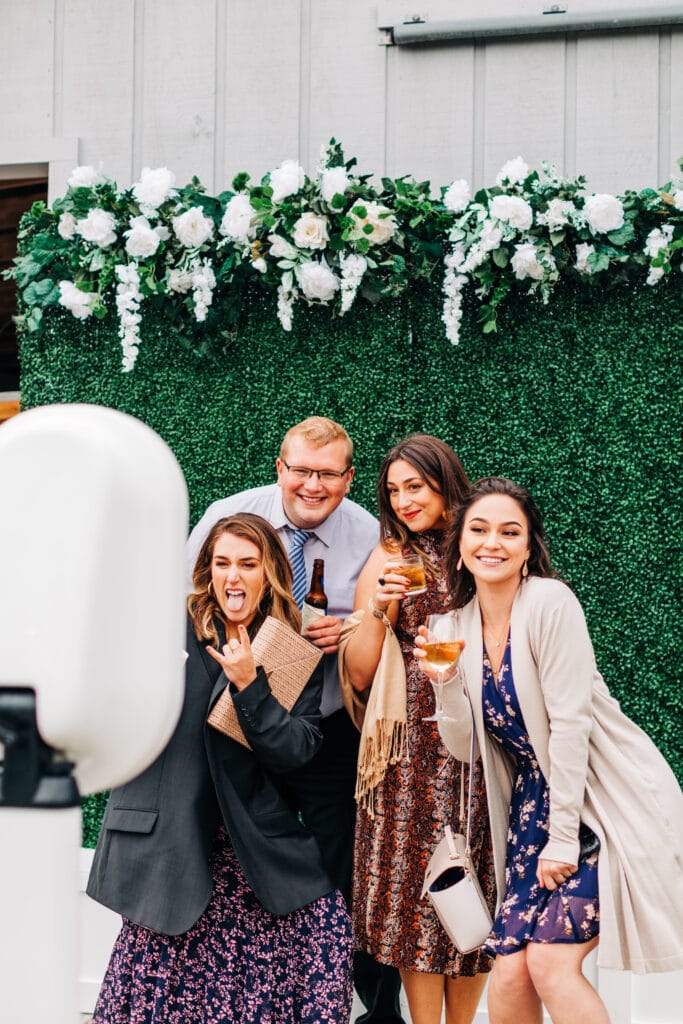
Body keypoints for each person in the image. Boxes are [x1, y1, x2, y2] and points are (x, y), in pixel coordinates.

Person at [416, 476, 683, 1024]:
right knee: (510, 970)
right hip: (532, 811)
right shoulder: (456, 625)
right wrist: (443, 684)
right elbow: (465, 747)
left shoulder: (549, 602)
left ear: (528, 547)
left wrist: (562, 838)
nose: (493, 542)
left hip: (598, 804)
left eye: (510, 532)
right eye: (480, 530)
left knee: (552, 963)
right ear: (460, 548)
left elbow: (570, 726)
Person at [87, 513, 353, 1023]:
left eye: (248, 564)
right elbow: (113, 712)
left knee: (326, 929)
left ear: (269, 572)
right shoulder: (164, 630)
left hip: (251, 843)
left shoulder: (290, 648)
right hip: (171, 837)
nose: (233, 576)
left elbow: (295, 750)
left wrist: (252, 686)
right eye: (222, 563)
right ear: (207, 570)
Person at [186, 417, 405, 1024]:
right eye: (301, 471)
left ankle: (364, 1006)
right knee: (232, 855)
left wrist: (351, 628)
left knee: (343, 861)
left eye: (328, 474)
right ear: (279, 468)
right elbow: (186, 598)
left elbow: (382, 619)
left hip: (325, 722)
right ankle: (253, 998)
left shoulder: (369, 532)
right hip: (235, 725)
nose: (313, 485)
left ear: (349, 477)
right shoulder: (230, 516)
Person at [338, 434, 496, 1024]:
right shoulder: (389, 557)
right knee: (414, 896)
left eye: (416, 486)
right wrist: (379, 608)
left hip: (481, 747)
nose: (403, 500)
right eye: (393, 490)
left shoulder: (482, 546)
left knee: (478, 882)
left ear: (446, 483)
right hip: (410, 755)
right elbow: (356, 672)